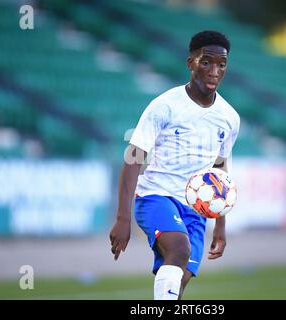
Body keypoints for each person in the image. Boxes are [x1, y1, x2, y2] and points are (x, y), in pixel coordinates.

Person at [109, 31, 240, 300]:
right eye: (207, 62)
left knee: (178, 282)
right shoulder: (165, 106)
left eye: (222, 65)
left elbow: (219, 174)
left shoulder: (229, 118)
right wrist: (123, 219)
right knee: (180, 250)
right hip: (155, 197)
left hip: (196, 210)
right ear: (191, 62)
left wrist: (220, 226)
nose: (215, 71)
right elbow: (132, 161)